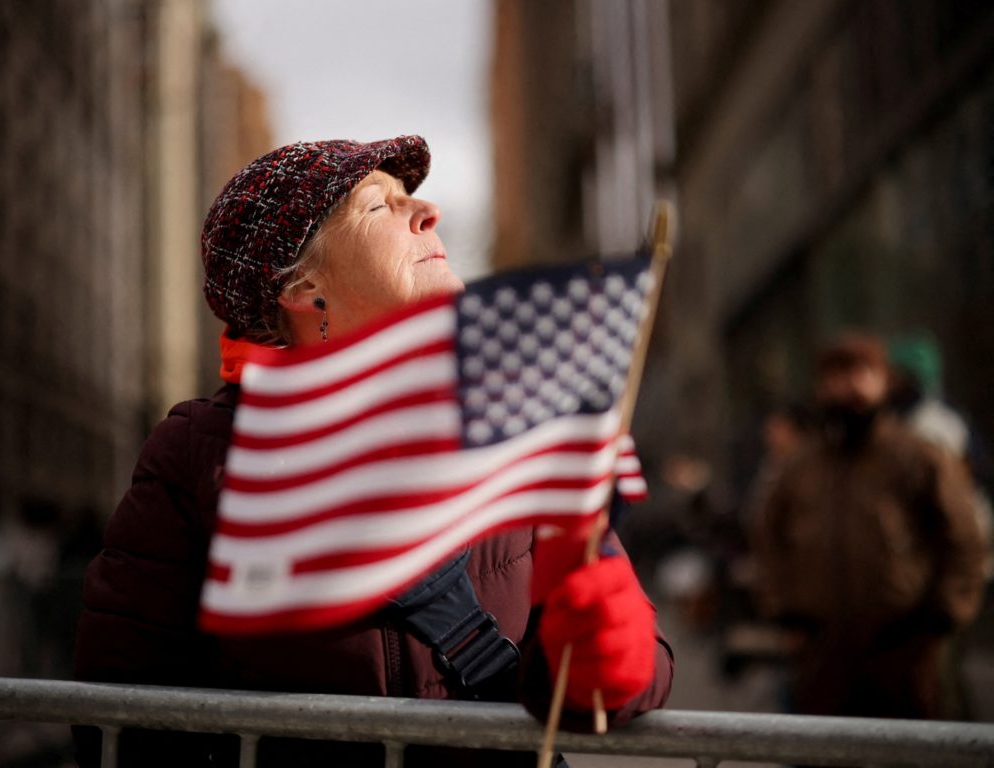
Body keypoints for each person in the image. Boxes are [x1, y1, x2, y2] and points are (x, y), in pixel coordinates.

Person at [73, 136, 673, 767]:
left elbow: (640, 675)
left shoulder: (515, 427)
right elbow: (118, 723)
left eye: (410, 196)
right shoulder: (198, 454)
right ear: (304, 288)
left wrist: (612, 658)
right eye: (378, 206)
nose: (427, 211)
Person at [751, 332, 986, 720]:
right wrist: (784, 614)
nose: (850, 386)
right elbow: (767, 539)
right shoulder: (798, 468)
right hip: (821, 655)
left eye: (862, 372)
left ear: (884, 381)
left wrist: (940, 618)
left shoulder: (918, 456)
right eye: (838, 375)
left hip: (905, 652)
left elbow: (964, 539)